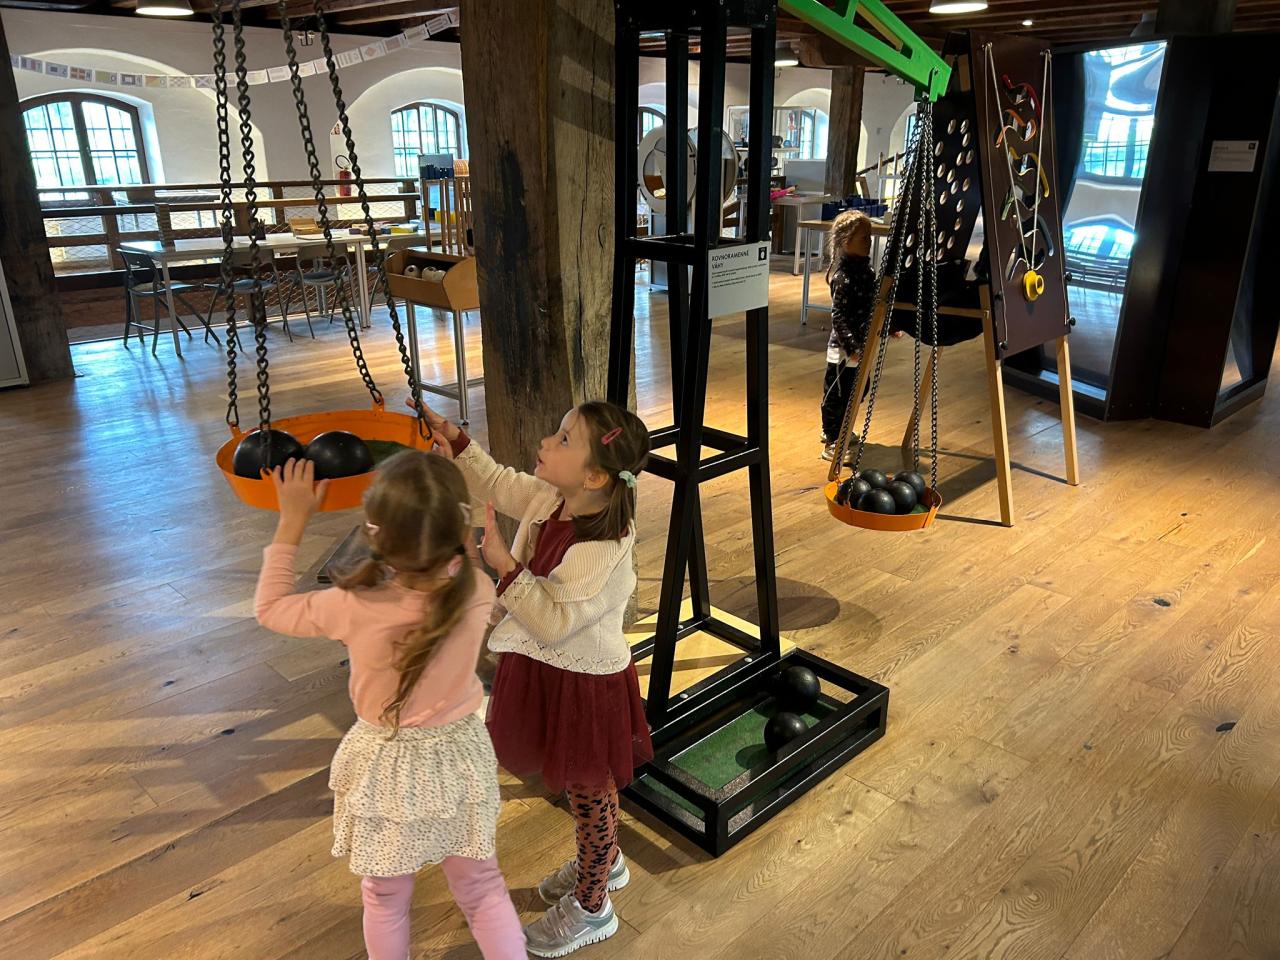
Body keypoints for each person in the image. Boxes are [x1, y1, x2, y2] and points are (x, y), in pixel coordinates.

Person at [254, 454, 526, 960]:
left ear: (375, 536)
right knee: (482, 889)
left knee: (384, 898)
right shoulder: (476, 589)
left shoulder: (353, 605)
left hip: (388, 768)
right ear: (457, 530)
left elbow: (270, 608)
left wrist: (292, 519)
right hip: (461, 759)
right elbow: (456, 565)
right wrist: (461, 532)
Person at [422, 398, 653, 958]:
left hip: (586, 685)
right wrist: (456, 439)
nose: (547, 442)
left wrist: (505, 566)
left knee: (590, 790)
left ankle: (594, 905)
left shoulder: (604, 544)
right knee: (583, 785)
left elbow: (552, 623)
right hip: (553, 673)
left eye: (564, 439)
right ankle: (607, 860)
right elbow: (498, 482)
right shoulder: (553, 499)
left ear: (595, 477)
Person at [820, 209, 896, 463]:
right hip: (844, 351)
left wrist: (888, 326)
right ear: (846, 242)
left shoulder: (868, 272)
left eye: (870, 237)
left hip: (862, 346)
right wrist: (852, 346)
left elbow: (873, 306)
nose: (869, 241)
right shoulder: (842, 278)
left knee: (860, 390)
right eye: (864, 237)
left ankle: (840, 428)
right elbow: (838, 316)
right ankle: (832, 438)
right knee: (837, 395)